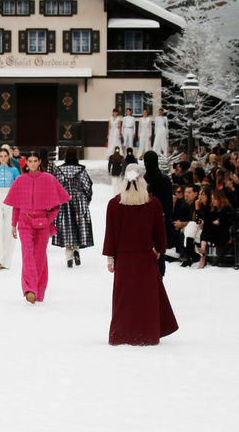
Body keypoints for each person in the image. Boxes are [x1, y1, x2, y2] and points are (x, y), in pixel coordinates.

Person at [103, 164, 179, 345]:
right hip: (145, 257)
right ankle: (147, 333)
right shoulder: (153, 203)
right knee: (146, 297)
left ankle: (123, 334)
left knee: (124, 298)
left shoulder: (114, 204)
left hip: (124, 259)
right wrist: (159, 249)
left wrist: (110, 258)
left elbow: (111, 233)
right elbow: (159, 232)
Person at [4, 150, 70, 303]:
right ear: (26, 163)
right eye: (30, 161)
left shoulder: (49, 179)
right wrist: (14, 224)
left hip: (42, 222)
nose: (33, 164)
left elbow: (56, 206)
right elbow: (16, 205)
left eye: (35, 161)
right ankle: (30, 289)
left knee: (40, 256)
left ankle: (39, 290)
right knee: (27, 254)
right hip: (24, 221)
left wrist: (48, 219)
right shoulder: (20, 180)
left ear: (40, 162)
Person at [51, 148, 94, 267]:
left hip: (64, 201)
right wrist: (86, 199)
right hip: (79, 201)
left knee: (67, 227)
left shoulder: (59, 170)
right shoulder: (81, 170)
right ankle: (76, 250)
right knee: (78, 226)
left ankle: (69, 256)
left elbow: (55, 186)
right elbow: (87, 185)